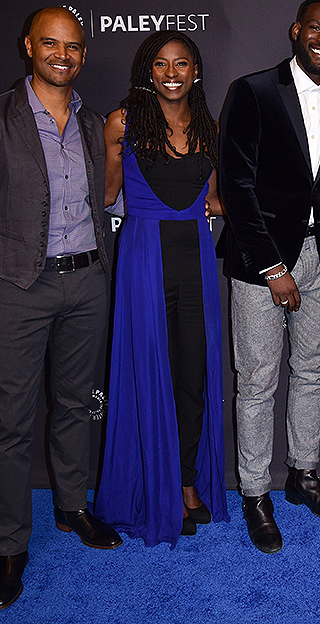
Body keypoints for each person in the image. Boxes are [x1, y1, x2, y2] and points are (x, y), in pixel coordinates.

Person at [0, 7, 122, 611]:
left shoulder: (94, 123)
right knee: (13, 424)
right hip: (16, 290)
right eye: (50, 44)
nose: (62, 55)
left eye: (73, 46)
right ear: (29, 47)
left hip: (87, 284)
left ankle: (72, 507)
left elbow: (104, 205)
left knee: (75, 406)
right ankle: (11, 547)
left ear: (84, 54)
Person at [217, 0, 320, 554]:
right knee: (256, 381)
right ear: (296, 30)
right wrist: (272, 265)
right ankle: (255, 492)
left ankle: (303, 475)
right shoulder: (252, 92)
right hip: (261, 261)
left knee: (313, 372)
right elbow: (237, 184)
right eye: (316, 29)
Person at [94, 31, 229, 547]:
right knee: (149, 370)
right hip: (143, 258)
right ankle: (155, 488)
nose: (171, 72)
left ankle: (188, 481)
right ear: (147, 71)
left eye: (182, 63)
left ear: (195, 71)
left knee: (192, 376)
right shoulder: (122, 123)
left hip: (194, 256)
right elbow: (105, 193)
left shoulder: (210, 129)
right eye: (160, 64)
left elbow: (214, 199)